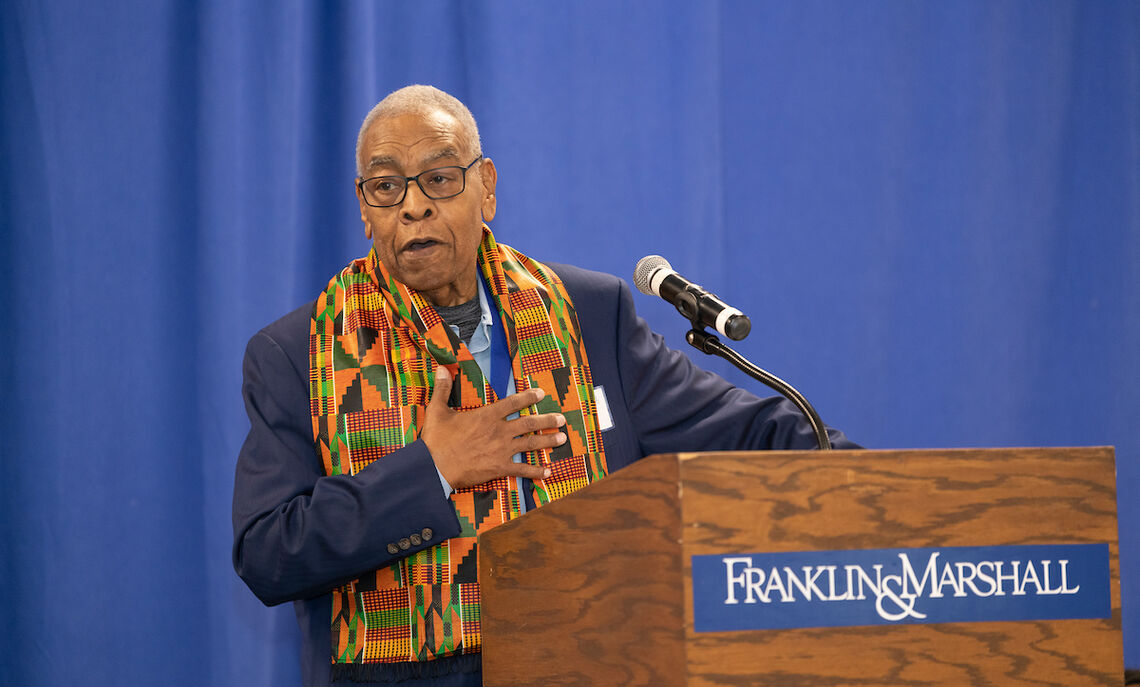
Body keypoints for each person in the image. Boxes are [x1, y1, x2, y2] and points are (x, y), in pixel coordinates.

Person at [233, 84, 858, 687]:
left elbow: (750, 434)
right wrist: (434, 472)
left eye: (440, 178)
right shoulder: (297, 353)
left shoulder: (589, 313)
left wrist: (890, 487)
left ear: (488, 188)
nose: (414, 205)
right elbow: (268, 553)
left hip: (589, 659)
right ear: (365, 209)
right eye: (386, 186)